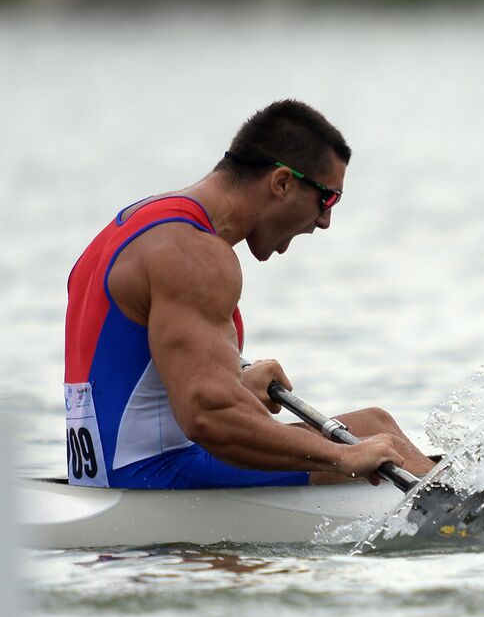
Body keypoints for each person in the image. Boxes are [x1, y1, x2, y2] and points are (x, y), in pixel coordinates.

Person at [64, 100, 435, 488]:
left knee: (374, 427)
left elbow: (141, 385)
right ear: (282, 183)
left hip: (104, 473)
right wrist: (343, 457)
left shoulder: (135, 224)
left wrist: (234, 383)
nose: (325, 221)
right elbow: (209, 418)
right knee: (376, 432)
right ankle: (471, 522)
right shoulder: (193, 254)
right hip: (150, 478)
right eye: (327, 199)